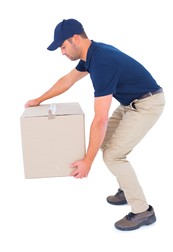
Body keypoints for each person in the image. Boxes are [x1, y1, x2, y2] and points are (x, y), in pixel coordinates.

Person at [25, 19, 165, 231]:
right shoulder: (92, 54)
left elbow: (100, 119)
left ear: (75, 39)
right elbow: (67, 80)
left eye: (62, 46)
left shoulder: (102, 62)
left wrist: (87, 162)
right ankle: (127, 190)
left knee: (112, 155)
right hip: (131, 103)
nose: (61, 52)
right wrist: (39, 99)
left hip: (147, 104)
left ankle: (143, 211)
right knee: (106, 143)